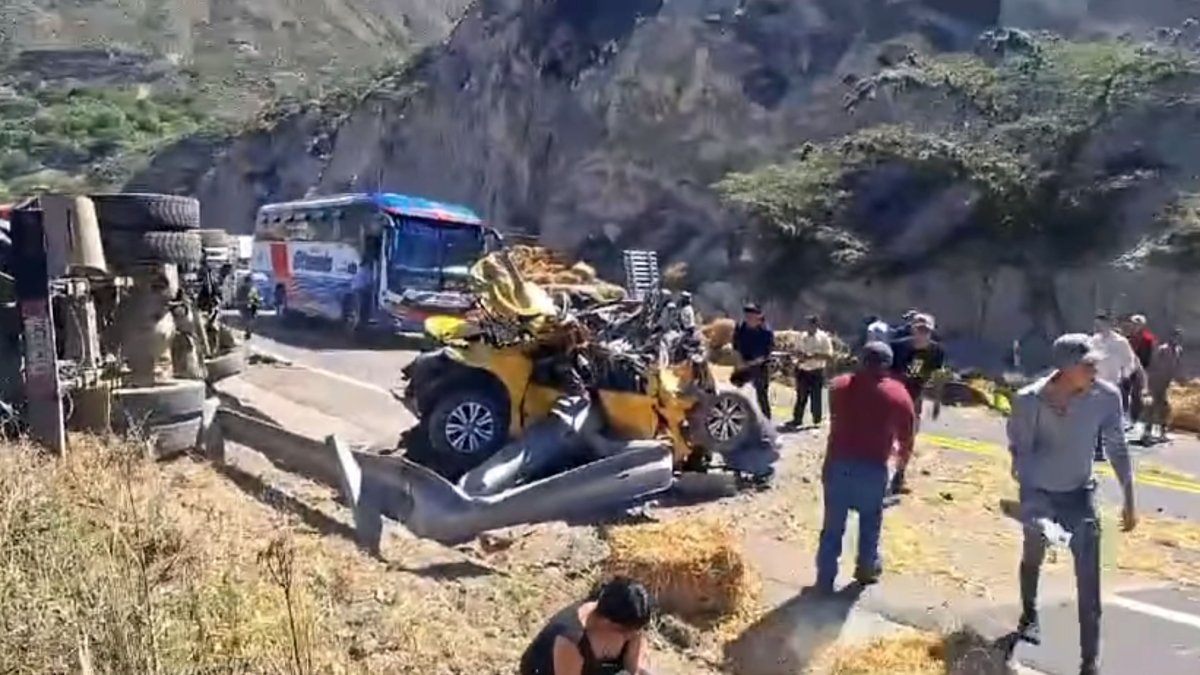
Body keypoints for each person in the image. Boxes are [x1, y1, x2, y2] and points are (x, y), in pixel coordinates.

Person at [1007, 334, 1137, 675]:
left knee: (1089, 581)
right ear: (1065, 368)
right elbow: (1021, 456)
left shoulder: (1106, 397)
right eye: (1088, 364)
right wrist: (1034, 507)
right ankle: (1029, 614)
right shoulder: (1029, 401)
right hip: (1039, 494)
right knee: (1033, 555)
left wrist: (1129, 497)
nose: (1095, 368)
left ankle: (1089, 662)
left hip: (1080, 497)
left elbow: (1117, 446)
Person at [816, 342, 916, 592]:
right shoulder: (898, 394)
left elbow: (838, 419)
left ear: (861, 360)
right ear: (888, 365)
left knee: (832, 527)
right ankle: (865, 569)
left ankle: (825, 580)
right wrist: (901, 464)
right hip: (873, 468)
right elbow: (907, 437)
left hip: (839, 463)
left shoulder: (838, 386)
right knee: (870, 524)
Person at [520, 577, 652, 675]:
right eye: (626, 631)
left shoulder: (629, 620)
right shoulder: (571, 638)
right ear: (606, 622)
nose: (632, 635)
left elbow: (635, 666)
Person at [789, 315, 834, 429]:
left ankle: (817, 420)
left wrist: (813, 356)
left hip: (816, 371)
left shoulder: (824, 338)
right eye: (806, 324)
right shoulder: (802, 336)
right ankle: (797, 419)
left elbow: (829, 355)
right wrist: (799, 357)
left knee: (816, 396)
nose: (808, 327)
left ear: (815, 325)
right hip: (803, 370)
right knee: (801, 396)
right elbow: (796, 351)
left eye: (810, 324)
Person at [732, 304, 775, 419]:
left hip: (760, 366)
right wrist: (739, 362)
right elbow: (735, 346)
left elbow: (766, 354)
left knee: (761, 394)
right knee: (737, 391)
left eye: (751, 316)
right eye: (747, 316)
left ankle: (766, 420)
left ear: (758, 316)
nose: (748, 318)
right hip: (742, 363)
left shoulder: (766, 332)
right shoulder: (741, 327)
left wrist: (750, 364)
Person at [1144, 327, 1184, 444]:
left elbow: (1176, 366)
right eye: (1175, 336)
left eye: (1178, 337)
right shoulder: (1163, 349)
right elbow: (1154, 365)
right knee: (1152, 407)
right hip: (1156, 382)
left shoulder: (1178, 350)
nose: (1176, 339)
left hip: (1166, 383)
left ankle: (1162, 432)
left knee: (1164, 408)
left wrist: (1177, 378)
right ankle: (1147, 433)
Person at [1125, 314, 1156, 427]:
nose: (1133, 326)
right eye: (1132, 324)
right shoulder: (1128, 338)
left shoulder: (1147, 339)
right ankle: (1127, 418)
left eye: (1136, 324)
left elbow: (1148, 356)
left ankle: (1135, 419)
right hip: (1128, 369)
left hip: (1141, 369)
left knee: (1137, 395)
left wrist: (1142, 369)